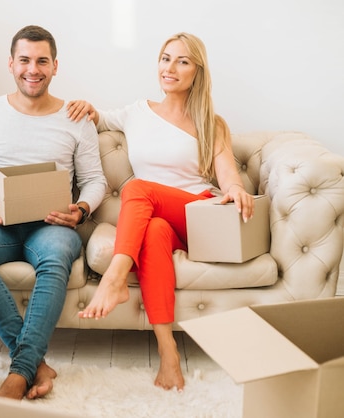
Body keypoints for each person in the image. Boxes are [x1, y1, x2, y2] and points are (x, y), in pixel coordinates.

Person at [67, 32, 254, 392]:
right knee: (151, 231)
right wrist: (85, 108)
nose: (170, 67)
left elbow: (228, 173)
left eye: (182, 61)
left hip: (196, 213)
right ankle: (168, 354)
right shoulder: (136, 112)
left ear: (197, 72)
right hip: (155, 219)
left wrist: (235, 189)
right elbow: (99, 117)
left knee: (137, 188)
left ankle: (114, 279)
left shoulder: (210, 123)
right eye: (165, 58)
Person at [0, 25, 107, 400]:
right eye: (24, 60)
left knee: (55, 256)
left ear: (55, 66)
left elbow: (95, 181)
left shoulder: (76, 118)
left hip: (51, 226)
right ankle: (34, 365)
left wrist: (82, 210)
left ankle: (18, 373)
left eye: (41, 61)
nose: (32, 69)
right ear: (10, 64)